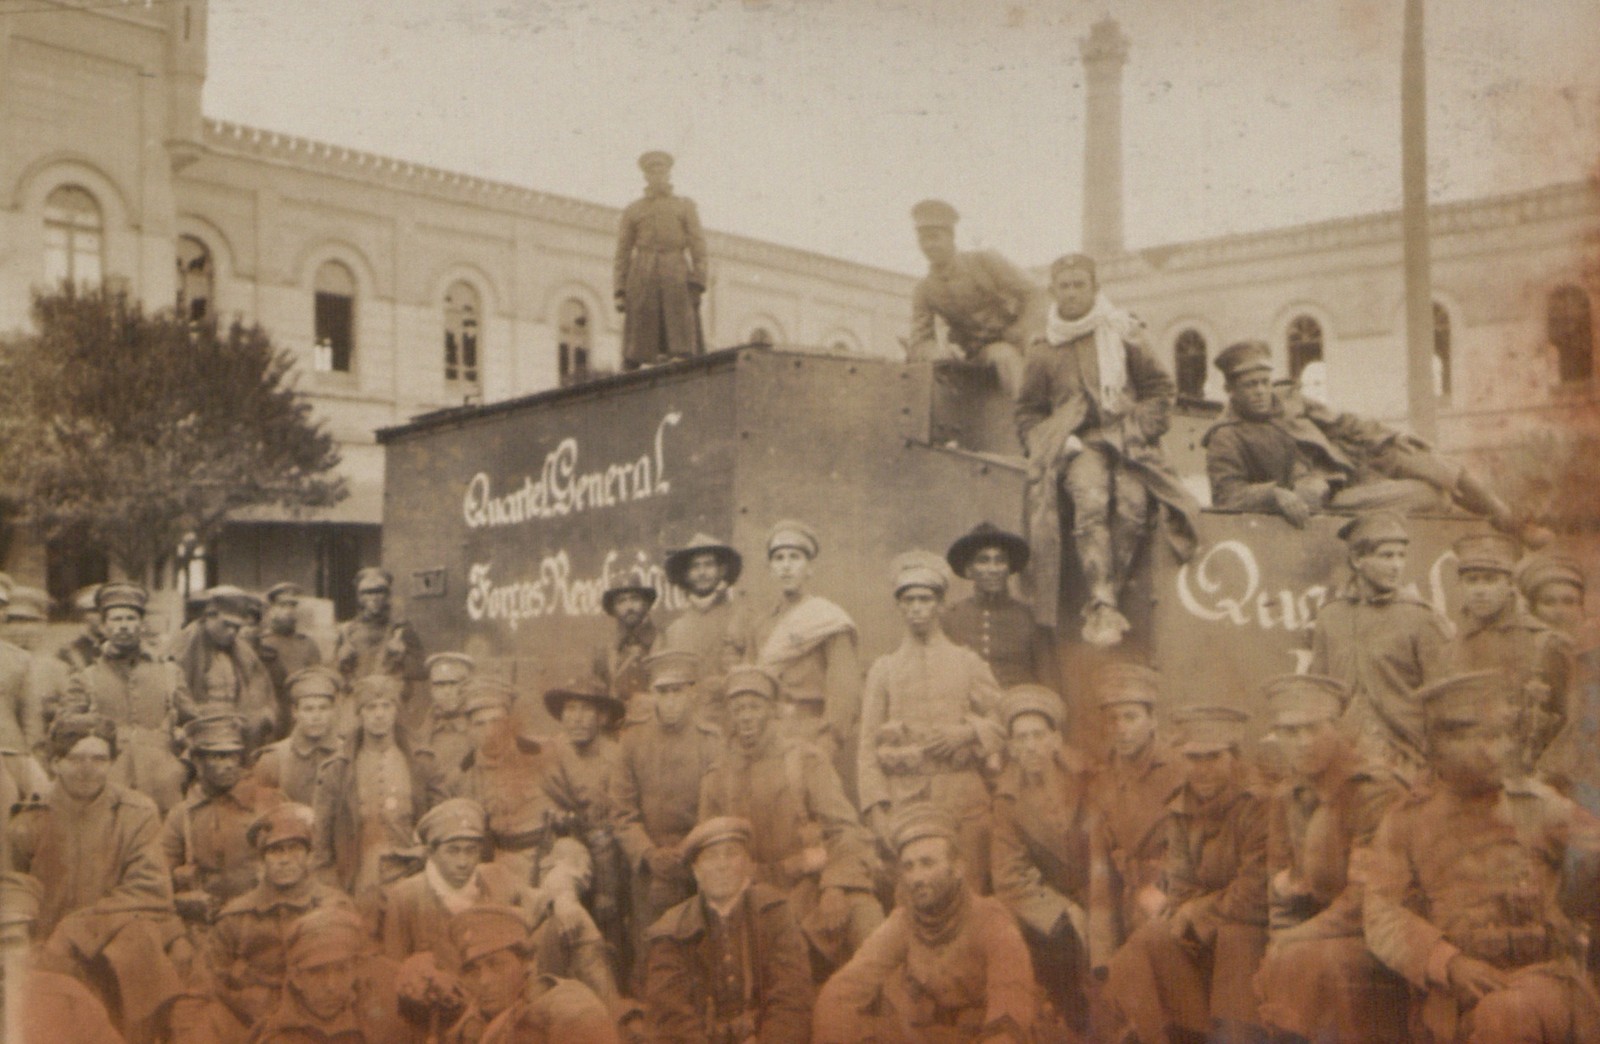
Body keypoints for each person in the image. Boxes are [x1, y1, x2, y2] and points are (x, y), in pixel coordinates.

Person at [1363, 670, 1600, 1043]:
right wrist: (1448, 962)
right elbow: (1381, 914)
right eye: (1487, 737)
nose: (1502, 749)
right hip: (1452, 992)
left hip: (1541, 979)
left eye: (1505, 735)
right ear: (1441, 745)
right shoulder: (1405, 822)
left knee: (1506, 1014)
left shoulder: (1537, 806)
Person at [1015, 253, 1198, 646]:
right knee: (1090, 500)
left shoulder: (1124, 331)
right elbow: (1027, 412)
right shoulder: (1044, 347)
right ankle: (1101, 603)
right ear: (1053, 292)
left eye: (1080, 284)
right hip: (1080, 445)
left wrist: (1133, 430)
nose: (1073, 293)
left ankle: (1111, 594)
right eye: (1064, 286)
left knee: (1134, 505)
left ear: (1096, 289)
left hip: (1130, 442)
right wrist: (1057, 441)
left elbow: (1161, 391)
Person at [1203, 339, 1548, 543]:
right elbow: (1226, 496)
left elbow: (1346, 423)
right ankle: (1482, 536)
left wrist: (1391, 436)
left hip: (1351, 465)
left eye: (1265, 381)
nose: (1262, 391)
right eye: (1251, 386)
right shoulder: (1225, 436)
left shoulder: (1289, 400)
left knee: (1424, 460)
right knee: (1429, 495)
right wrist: (1275, 493)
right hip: (1328, 499)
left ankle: (1509, 521)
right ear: (1230, 390)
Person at [4, 712, 189, 1042]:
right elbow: (12, 890)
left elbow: (150, 892)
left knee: (140, 942)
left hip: (110, 941)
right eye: (75, 758)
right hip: (46, 947)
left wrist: (77, 929)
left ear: (113, 762)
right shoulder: (29, 818)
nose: (87, 769)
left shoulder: (136, 812)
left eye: (99, 759)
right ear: (55, 762)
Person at [1252, 673, 1411, 1043]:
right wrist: (1283, 935)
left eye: (1313, 728)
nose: (1303, 742)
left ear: (1336, 727)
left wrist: (1295, 939)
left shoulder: (1373, 790)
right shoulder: (1287, 796)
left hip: (1382, 929)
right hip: (1325, 932)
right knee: (1281, 957)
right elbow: (1279, 884)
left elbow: (1365, 898)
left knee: (1314, 960)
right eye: (1290, 732)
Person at [698, 664, 882, 979]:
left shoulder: (805, 760)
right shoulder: (717, 777)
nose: (745, 716)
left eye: (754, 706)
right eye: (738, 708)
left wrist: (835, 886)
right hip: (751, 897)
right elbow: (711, 857)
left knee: (867, 921)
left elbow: (846, 830)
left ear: (771, 710)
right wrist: (787, 868)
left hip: (813, 888)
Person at [1103, 705, 1269, 1044]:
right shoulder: (1180, 809)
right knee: (1143, 943)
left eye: (1214, 757)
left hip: (1255, 930)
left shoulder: (1258, 805)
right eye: (1194, 758)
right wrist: (1189, 910)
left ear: (1233, 756)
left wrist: (1196, 911)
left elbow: (1255, 892)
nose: (1203, 770)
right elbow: (1179, 887)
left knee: (1236, 939)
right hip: (1205, 929)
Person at [813, 805, 1038, 1044]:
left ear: (958, 868)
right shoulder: (903, 922)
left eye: (927, 863)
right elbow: (841, 992)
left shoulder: (991, 919)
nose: (916, 878)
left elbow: (1011, 1000)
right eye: (909, 867)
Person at [374, 797, 618, 1011]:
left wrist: (564, 899)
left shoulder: (495, 876)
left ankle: (613, 1015)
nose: (463, 862)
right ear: (431, 852)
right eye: (453, 851)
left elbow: (541, 902)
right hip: (447, 1009)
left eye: (471, 851)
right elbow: (394, 972)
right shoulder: (406, 897)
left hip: (501, 1000)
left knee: (575, 920)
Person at [857, 550, 1005, 891]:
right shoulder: (885, 670)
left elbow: (1005, 718)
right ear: (899, 607)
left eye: (925, 599)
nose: (916, 608)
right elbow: (867, 746)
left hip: (963, 798)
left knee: (969, 894)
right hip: (908, 801)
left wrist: (968, 732)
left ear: (940, 605)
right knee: (913, 899)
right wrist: (877, 808)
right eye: (908, 600)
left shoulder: (966, 662)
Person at [1308, 511, 1453, 782]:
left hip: (1405, 759)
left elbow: (1444, 703)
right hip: (1344, 758)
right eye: (1386, 556)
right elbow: (1319, 693)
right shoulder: (1331, 616)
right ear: (1357, 559)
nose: (1397, 565)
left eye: (1401, 556)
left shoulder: (1422, 618)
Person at [641, 816, 814, 1043]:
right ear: (696, 871)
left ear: (749, 865)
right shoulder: (671, 932)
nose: (722, 865)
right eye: (710, 857)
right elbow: (673, 1017)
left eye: (731, 854)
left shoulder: (775, 914)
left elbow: (791, 997)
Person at [610, 649, 723, 989]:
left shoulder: (711, 741)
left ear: (692, 691)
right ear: (653, 694)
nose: (670, 701)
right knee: (651, 957)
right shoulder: (632, 742)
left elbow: (716, 808)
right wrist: (648, 854)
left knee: (702, 955)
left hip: (699, 862)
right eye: (663, 692)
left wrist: (689, 853)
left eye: (678, 691)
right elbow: (622, 813)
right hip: (650, 865)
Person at [989, 684, 1094, 1033]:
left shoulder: (1088, 775)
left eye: (1038, 735)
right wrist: (1063, 909)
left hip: (1104, 890)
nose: (1031, 746)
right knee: (1058, 947)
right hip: (1055, 906)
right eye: (1021, 738)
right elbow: (1010, 877)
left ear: (1055, 739)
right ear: (1012, 748)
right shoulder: (1007, 801)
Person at [198, 803, 355, 1032]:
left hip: (322, 1021)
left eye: (294, 849)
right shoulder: (237, 916)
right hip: (255, 1022)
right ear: (261, 860)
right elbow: (204, 983)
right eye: (275, 851)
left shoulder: (334, 907)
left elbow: (361, 974)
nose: (285, 860)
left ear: (309, 855)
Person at [728, 520, 862, 783]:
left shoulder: (829, 620)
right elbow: (749, 688)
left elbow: (844, 697)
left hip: (810, 735)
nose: (786, 565)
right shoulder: (761, 624)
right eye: (778, 558)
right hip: (764, 739)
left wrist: (825, 747)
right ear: (771, 569)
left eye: (795, 557)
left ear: (810, 567)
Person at [1085, 663, 1188, 980]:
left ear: (1152, 720)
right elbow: (1100, 876)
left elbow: (1195, 850)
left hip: (1175, 899)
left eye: (1131, 717)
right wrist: (1102, 956)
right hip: (1128, 902)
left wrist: (1164, 889)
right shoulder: (1101, 784)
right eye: (1113, 719)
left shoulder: (1180, 771)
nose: (1121, 728)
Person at [1444, 532, 1573, 776]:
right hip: (1467, 779)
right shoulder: (1451, 648)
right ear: (1461, 585)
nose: (1480, 591)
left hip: (1529, 780)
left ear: (1510, 585)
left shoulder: (1545, 644)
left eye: (1490, 580)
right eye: (1472, 580)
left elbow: (1569, 724)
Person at [62, 580, 188, 812]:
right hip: (107, 780)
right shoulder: (86, 676)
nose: (124, 626)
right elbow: (66, 728)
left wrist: (181, 760)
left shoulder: (169, 671)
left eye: (130, 619)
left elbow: (191, 720)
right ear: (104, 626)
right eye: (116, 619)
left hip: (163, 780)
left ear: (142, 624)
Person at [312, 675, 444, 896]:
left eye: (386, 706)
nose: (379, 714)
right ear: (360, 713)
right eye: (371, 707)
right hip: (357, 879)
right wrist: (331, 888)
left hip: (413, 877)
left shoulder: (422, 763)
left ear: (396, 710)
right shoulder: (338, 770)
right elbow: (321, 841)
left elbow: (441, 826)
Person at [905, 198, 1047, 401]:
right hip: (982, 354)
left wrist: (1022, 330)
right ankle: (1029, 421)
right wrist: (937, 352)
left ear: (951, 237)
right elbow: (920, 340)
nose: (928, 245)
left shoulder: (984, 262)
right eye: (923, 239)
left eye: (934, 237)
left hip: (1022, 339)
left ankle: (1035, 420)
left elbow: (1034, 293)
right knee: (1003, 355)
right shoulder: (925, 289)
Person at [542, 676, 630, 985]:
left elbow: (618, 821)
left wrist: (608, 888)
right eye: (570, 709)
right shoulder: (552, 752)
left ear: (602, 716)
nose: (576, 719)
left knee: (615, 938)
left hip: (615, 859)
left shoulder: (616, 755)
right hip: (568, 853)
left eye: (585, 710)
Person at [437, 903, 618, 1044]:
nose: (483, 980)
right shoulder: (474, 1022)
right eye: (473, 970)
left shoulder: (568, 1008)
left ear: (528, 963)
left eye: (496, 965)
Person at [160, 713, 284, 919]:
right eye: (218, 756)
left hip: (260, 916)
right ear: (198, 761)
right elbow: (161, 873)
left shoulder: (266, 802)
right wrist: (182, 895)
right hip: (205, 924)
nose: (228, 764)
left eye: (233, 756)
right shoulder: (182, 815)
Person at [250, 905, 413, 1043]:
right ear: (296, 977)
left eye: (342, 969)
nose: (331, 986)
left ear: (356, 969)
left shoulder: (380, 1020)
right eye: (316, 972)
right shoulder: (277, 1037)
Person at [613, 150, 707, 370]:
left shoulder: (684, 206)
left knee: (681, 340)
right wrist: (619, 290)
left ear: (669, 174)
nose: (658, 176)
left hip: (676, 270)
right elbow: (623, 252)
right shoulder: (633, 210)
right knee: (637, 343)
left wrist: (699, 280)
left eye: (662, 171)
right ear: (646, 176)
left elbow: (698, 245)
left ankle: (680, 358)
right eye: (652, 171)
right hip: (642, 273)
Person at [942, 521, 1059, 692]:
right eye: (983, 561)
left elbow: (1050, 682)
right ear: (969, 570)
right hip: (968, 707)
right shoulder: (950, 618)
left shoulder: (1031, 617)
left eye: (1000, 561)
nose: (993, 569)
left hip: (1021, 705)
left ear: (1009, 568)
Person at [167, 585, 277, 746]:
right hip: (198, 735)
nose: (232, 632)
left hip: (236, 734)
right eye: (226, 625)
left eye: (237, 627)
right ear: (209, 617)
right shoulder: (184, 647)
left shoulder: (244, 652)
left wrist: (256, 717)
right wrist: (202, 720)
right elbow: (175, 694)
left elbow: (260, 691)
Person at [333, 567, 428, 732]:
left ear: (387, 596)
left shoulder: (401, 629)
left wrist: (402, 655)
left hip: (390, 708)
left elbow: (422, 670)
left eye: (379, 592)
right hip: (356, 708)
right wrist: (341, 661)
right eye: (367, 593)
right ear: (359, 598)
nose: (374, 598)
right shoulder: (347, 631)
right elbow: (335, 677)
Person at [660, 532, 743, 719]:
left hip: (730, 718)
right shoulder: (675, 630)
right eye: (695, 567)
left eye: (709, 565)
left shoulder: (740, 617)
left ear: (722, 570)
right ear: (686, 575)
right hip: (687, 721)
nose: (702, 572)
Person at [251, 665, 345, 806]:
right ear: (295, 712)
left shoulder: (347, 753)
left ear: (332, 710)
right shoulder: (273, 758)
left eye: (323, 708)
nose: (316, 717)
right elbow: (261, 812)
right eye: (308, 709)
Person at [591, 576, 659, 727]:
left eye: (635, 599)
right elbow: (599, 699)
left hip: (658, 732)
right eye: (621, 601)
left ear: (646, 603)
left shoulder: (664, 641)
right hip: (619, 734)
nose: (629, 607)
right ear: (613, 609)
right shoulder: (605, 652)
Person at [258, 582, 324, 729]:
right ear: (271, 611)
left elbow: (318, 680)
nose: (288, 611)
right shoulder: (262, 644)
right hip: (275, 713)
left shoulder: (307, 644)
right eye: (282, 606)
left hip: (305, 714)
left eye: (292, 606)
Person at [415, 652, 478, 792]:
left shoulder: (479, 727)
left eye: (453, 684)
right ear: (431, 689)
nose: (447, 691)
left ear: (467, 686)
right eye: (440, 685)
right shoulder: (423, 734)